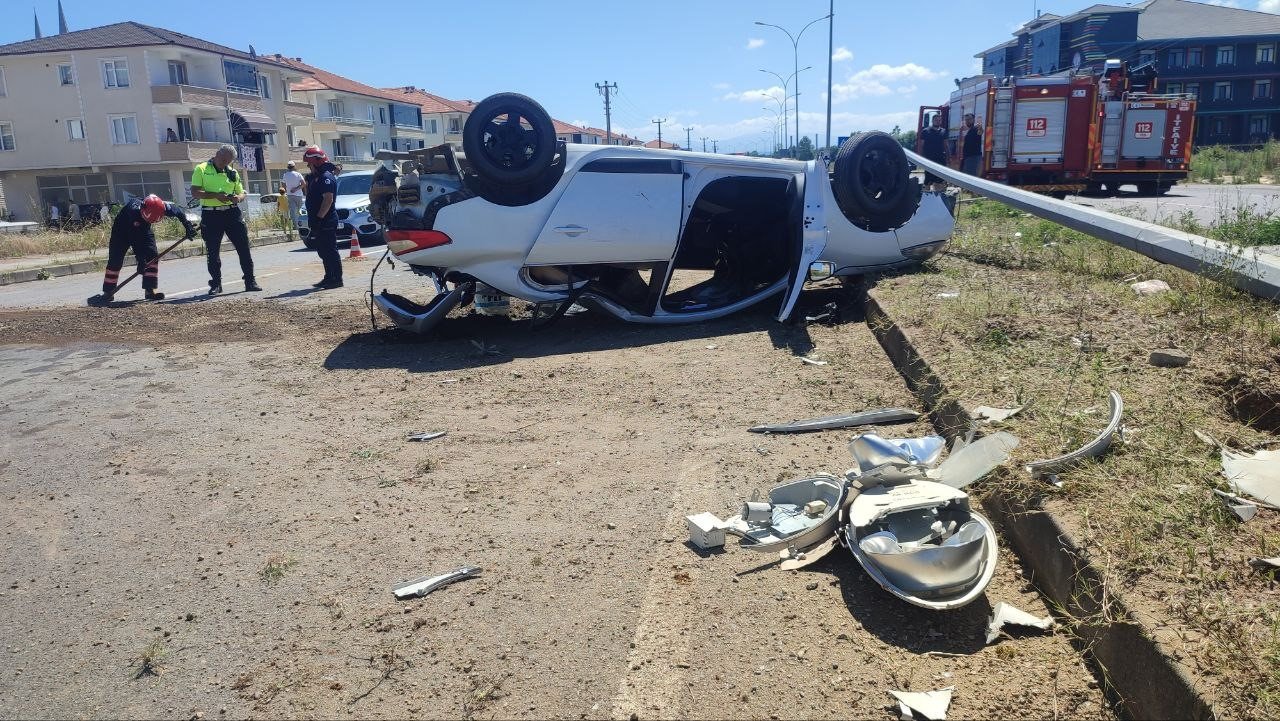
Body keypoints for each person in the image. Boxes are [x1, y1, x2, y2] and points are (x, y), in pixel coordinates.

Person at [98, 194, 196, 302]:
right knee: (115, 260)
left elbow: (177, 211)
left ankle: (150, 290)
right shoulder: (133, 211)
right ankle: (108, 291)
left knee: (152, 255)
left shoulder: (161, 206)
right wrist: (141, 261)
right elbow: (135, 240)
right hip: (122, 231)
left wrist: (188, 226)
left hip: (143, 228)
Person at [190, 144, 260, 294]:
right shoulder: (201, 169)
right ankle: (216, 284)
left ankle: (250, 281)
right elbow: (195, 192)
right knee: (213, 251)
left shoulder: (233, 173)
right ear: (216, 154)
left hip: (232, 213)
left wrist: (237, 198)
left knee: (244, 248)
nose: (224, 163)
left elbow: (242, 193)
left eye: (227, 161)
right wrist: (215, 195)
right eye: (222, 160)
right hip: (211, 214)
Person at [301, 145, 343, 289]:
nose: (308, 166)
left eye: (309, 164)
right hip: (318, 220)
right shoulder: (316, 178)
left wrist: (319, 218)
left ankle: (336, 278)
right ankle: (328, 276)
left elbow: (328, 199)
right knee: (322, 250)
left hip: (326, 220)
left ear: (316, 163)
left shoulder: (326, 178)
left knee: (330, 249)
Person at [918, 114, 949, 189]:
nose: (938, 122)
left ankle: (937, 198)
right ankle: (926, 197)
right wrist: (920, 158)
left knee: (939, 180)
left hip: (940, 159)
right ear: (932, 121)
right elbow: (921, 146)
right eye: (936, 120)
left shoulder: (943, 131)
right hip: (929, 160)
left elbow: (945, 145)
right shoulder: (925, 131)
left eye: (939, 120)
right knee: (928, 181)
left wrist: (948, 157)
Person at [281, 160, 305, 231]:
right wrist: (296, 189)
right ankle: (303, 224)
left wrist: (286, 192)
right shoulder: (298, 174)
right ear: (294, 167)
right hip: (299, 195)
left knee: (293, 212)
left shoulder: (285, 175)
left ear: (288, 167)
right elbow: (303, 184)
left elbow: (283, 185)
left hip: (290, 195)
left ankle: (296, 226)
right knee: (301, 210)